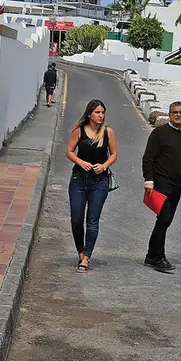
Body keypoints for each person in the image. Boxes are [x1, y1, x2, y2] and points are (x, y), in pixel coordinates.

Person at [65, 99, 118, 273]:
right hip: (79, 179)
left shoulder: (108, 132)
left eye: (103, 112)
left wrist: (104, 166)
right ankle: (80, 251)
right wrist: (81, 162)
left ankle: (86, 257)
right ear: (89, 114)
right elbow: (69, 151)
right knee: (77, 218)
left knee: (92, 220)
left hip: (99, 181)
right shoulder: (78, 131)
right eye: (97, 112)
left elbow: (114, 154)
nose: (101, 116)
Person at [143, 102, 181, 273]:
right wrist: (148, 180)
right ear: (169, 114)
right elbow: (148, 158)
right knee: (163, 220)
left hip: (176, 185)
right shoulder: (159, 133)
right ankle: (159, 257)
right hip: (160, 182)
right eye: (175, 112)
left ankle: (150, 256)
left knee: (166, 221)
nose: (178, 115)